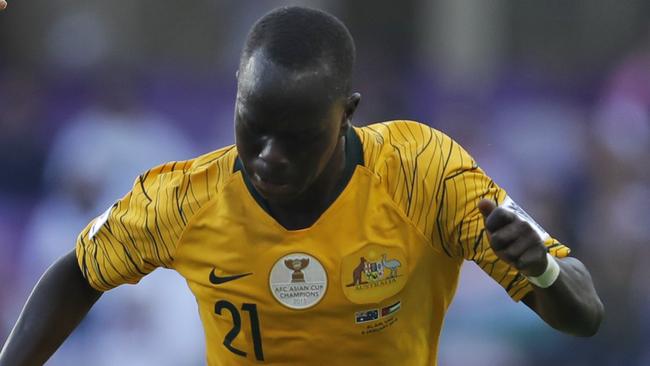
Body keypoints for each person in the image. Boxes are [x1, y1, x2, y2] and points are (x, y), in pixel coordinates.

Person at [0, 5, 604, 366]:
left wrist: (543, 271)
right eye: (254, 128)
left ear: (349, 113)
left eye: (297, 138)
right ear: (236, 94)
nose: (270, 157)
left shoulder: (424, 172)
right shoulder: (185, 199)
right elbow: (78, 271)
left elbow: (585, 316)